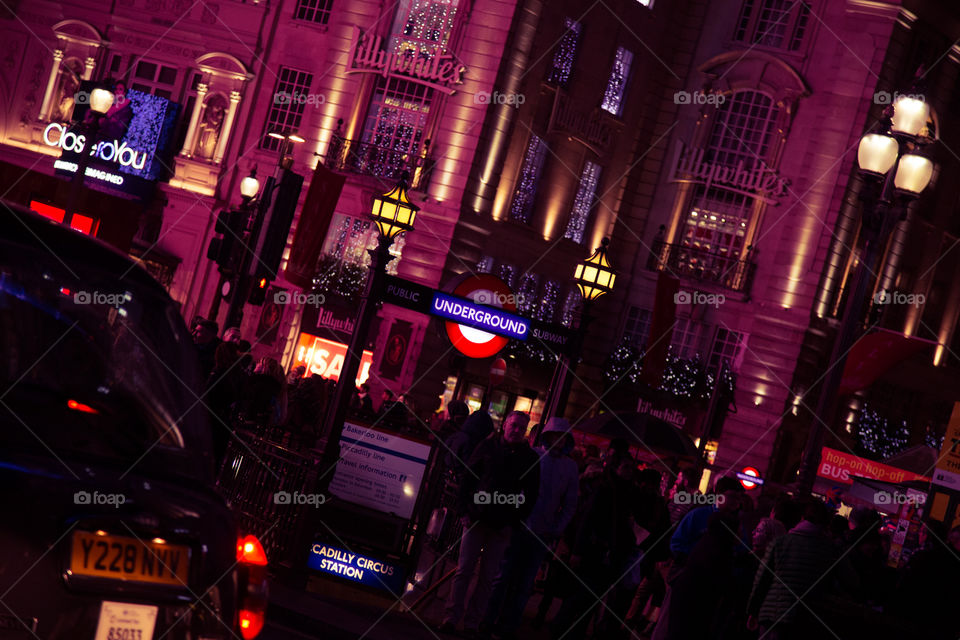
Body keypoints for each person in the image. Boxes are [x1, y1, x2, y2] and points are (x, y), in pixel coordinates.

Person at [440, 412, 540, 636]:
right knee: (465, 570)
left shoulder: (528, 458)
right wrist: (464, 510)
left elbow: (531, 494)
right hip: (478, 516)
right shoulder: (487, 447)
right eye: (513, 426)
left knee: (486, 576)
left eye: (521, 428)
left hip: (501, 523)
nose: (516, 430)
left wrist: (515, 520)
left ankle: (471, 622)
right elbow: (469, 478)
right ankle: (452, 617)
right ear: (505, 425)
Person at [483, 417, 579, 639]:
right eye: (555, 436)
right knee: (503, 577)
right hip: (520, 526)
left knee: (524, 583)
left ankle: (507, 626)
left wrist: (557, 528)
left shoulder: (569, 467)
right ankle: (488, 620)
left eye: (561, 437)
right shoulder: (533, 456)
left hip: (543, 532)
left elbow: (570, 503)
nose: (557, 441)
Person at [747, 499, 853, 639]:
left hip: (772, 613)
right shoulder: (831, 550)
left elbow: (762, 579)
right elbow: (851, 582)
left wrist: (753, 611)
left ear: (802, 518)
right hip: (806, 618)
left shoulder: (781, 542)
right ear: (827, 523)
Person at [652, 511, 741, 640]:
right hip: (697, 611)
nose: (741, 534)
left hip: (686, 603)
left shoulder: (705, 547)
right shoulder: (717, 555)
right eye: (737, 529)